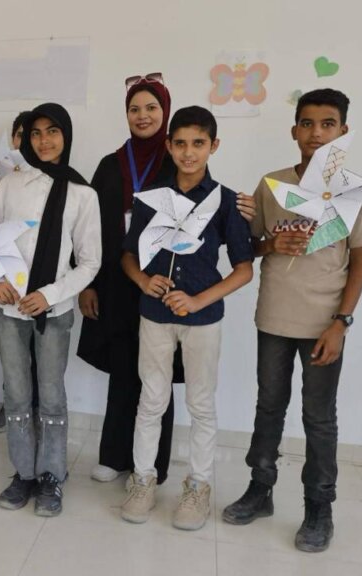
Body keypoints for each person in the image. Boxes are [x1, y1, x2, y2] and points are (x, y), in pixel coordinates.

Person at [77, 76, 258, 484]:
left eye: (151, 108)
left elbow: (243, 261)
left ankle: (158, 469)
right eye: (134, 109)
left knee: (173, 387)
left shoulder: (199, 183)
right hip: (127, 284)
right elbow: (91, 228)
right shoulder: (114, 166)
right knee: (130, 374)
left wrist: (251, 215)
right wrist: (97, 281)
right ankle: (118, 457)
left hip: (188, 298)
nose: (143, 116)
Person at [222, 89, 362, 553]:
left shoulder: (354, 191)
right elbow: (254, 245)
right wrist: (273, 245)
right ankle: (260, 487)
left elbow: (361, 259)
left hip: (324, 320)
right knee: (269, 405)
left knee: (319, 418)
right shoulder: (272, 184)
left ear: (342, 132)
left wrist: (341, 321)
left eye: (327, 124)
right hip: (275, 315)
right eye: (307, 123)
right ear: (294, 131)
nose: (316, 132)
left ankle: (319, 507)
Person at [119, 106, 254, 531]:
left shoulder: (227, 202)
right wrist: (143, 281)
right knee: (151, 400)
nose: (189, 153)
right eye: (180, 144)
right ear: (169, 146)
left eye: (198, 143)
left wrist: (197, 302)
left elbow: (244, 268)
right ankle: (143, 479)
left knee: (200, 403)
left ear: (213, 146)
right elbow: (127, 255)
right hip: (154, 315)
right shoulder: (152, 198)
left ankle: (198, 485)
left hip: (203, 317)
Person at [0, 103, 101, 517]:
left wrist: (50, 294)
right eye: (36, 134)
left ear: (66, 136)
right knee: (17, 394)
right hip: (9, 309)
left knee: (51, 396)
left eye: (53, 132)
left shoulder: (82, 194)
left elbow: (90, 262)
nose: (45, 141)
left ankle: (52, 474)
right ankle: (24, 472)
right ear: (26, 140)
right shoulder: (9, 187)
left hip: (53, 312)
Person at [0, 111, 40, 434]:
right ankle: (13, 405)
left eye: (34, 133)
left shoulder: (60, 182)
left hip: (44, 283)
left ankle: (38, 410)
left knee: (43, 355)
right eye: (20, 133)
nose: (27, 139)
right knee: (13, 354)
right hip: (6, 280)